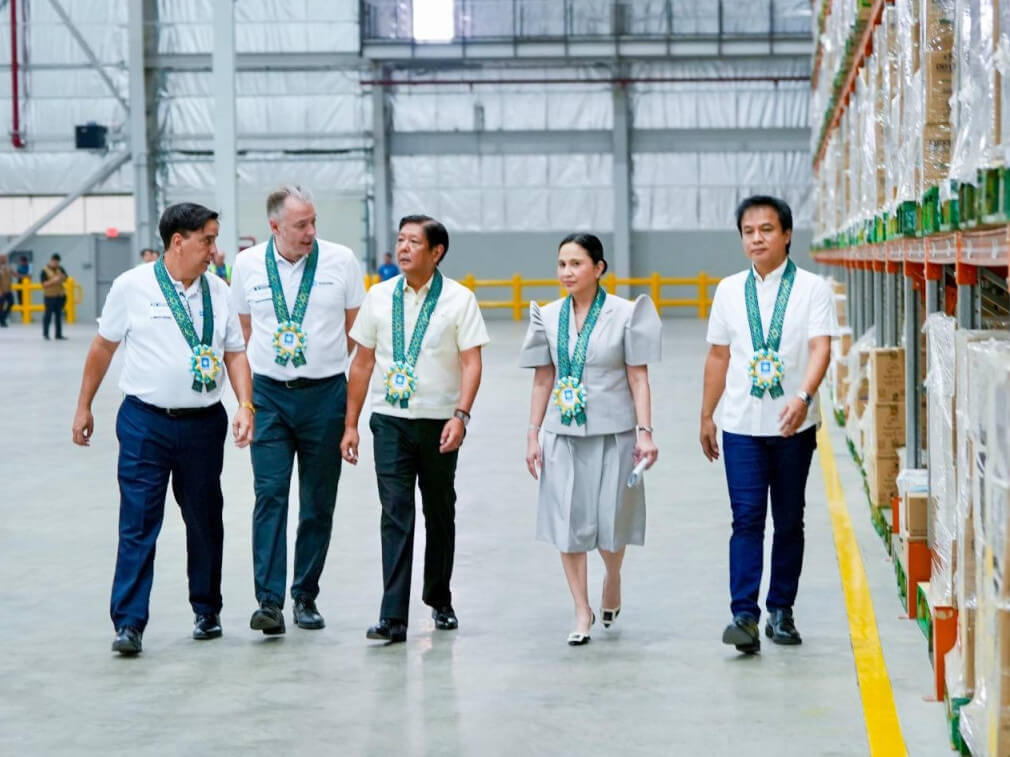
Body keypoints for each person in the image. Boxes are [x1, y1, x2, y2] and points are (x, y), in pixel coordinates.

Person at [71, 202, 255, 656]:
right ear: (178, 241)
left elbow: (234, 353)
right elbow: (103, 347)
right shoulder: (132, 286)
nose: (214, 250)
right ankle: (129, 622)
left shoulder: (218, 291)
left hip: (202, 425)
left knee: (205, 519)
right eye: (207, 240)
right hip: (145, 424)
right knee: (138, 522)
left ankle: (207, 610)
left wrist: (245, 404)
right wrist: (84, 406)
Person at [340, 215, 489, 645]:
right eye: (400, 240)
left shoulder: (459, 299)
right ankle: (392, 616)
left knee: (439, 512)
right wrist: (351, 424)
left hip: (440, 423)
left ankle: (439, 598)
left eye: (413, 242)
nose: (403, 248)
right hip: (390, 422)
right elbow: (362, 362)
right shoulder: (378, 297)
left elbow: (472, 362)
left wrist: (461, 416)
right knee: (395, 513)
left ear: (436, 252)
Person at [700, 195, 833, 654]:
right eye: (748, 231)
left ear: (787, 234)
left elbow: (820, 347)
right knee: (747, 519)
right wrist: (707, 415)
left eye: (767, 229)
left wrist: (803, 396)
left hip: (794, 425)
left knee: (790, 519)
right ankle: (744, 616)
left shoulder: (812, 288)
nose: (757, 239)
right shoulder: (728, 290)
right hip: (740, 425)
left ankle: (781, 610)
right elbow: (718, 355)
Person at [230, 185, 365, 635]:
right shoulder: (247, 265)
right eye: (300, 225)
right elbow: (244, 333)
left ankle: (305, 594)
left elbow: (354, 329)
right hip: (269, 396)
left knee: (317, 500)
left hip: (325, 396)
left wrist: (321, 363)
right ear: (275, 227)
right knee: (270, 494)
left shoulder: (341, 261)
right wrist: (246, 402)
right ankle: (269, 602)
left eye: (313, 222)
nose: (310, 232)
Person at [520, 233, 661, 645]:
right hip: (562, 435)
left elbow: (638, 378)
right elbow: (542, 378)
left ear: (599, 268)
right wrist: (532, 435)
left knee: (611, 520)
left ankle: (612, 577)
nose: (567, 272)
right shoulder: (547, 316)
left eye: (577, 264)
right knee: (568, 522)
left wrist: (645, 433)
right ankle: (581, 610)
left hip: (614, 433)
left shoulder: (626, 313)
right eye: (562, 264)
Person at [40, 253, 68, 340]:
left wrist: (62, 277)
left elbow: (66, 277)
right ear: (51, 261)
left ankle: (58, 334)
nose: (56, 264)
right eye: (55, 262)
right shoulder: (44, 271)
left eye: (57, 262)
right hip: (49, 296)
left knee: (58, 316)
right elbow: (44, 284)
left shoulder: (60, 269)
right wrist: (54, 280)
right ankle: (46, 334)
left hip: (59, 295)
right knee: (48, 315)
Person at [0, 254, 13, 327]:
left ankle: (3, 317)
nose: (4, 259)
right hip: (1, 290)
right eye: (2, 258)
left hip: (8, 289)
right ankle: (2, 322)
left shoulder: (8, 267)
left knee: (11, 302)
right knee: (1, 305)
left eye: (5, 258)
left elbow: (13, 274)